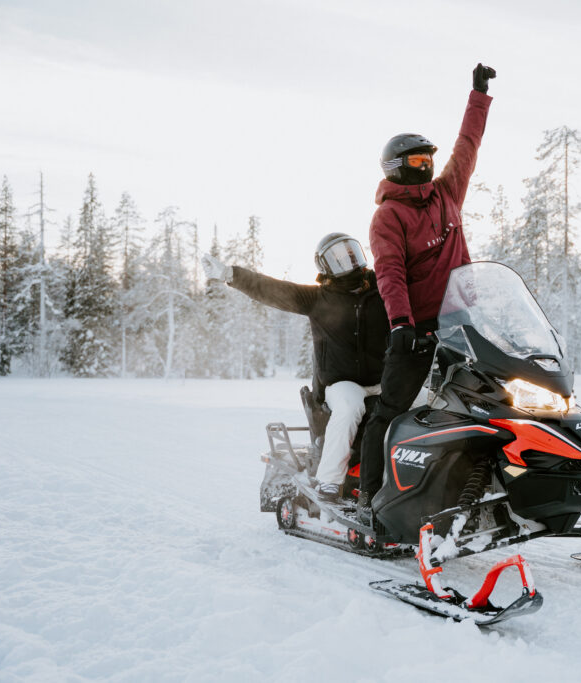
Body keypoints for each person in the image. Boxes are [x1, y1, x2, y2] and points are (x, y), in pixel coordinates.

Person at [358, 63, 496, 522]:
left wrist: (478, 96)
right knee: (392, 409)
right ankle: (370, 497)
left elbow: (468, 146)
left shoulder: (447, 193)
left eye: (429, 159)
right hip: (415, 330)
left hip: (461, 323)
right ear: (397, 169)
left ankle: (480, 488)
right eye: (417, 161)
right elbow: (390, 272)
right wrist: (401, 324)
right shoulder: (388, 217)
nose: (427, 166)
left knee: (484, 402)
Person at [201, 234, 389, 504]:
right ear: (326, 266)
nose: (348, 259)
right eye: (339, 256)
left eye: (352, 252)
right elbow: (274, 289)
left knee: (430, 400)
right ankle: (329, 482)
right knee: (350, 407)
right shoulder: (318, 298)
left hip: (384, 379)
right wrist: (232, 274)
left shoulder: (383, 290)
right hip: (341, 383)